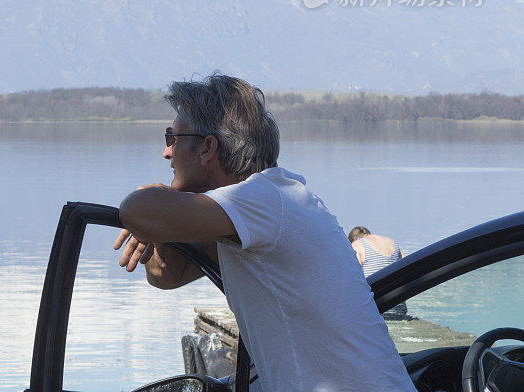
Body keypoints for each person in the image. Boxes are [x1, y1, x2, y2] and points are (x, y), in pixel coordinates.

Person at [114, 74, 415, 392]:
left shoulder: (265, 200)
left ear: (207, 148)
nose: (166, 152)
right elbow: (166, 275)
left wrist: (161, 201)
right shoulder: (260, 211)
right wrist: (163, 221)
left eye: (172, 138)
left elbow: (135, 210)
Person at [348, 226, 408, 319]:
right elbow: (407, 270)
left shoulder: (357, 245)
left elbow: (351, 281)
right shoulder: (392, 243)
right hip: (399, 309)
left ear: (353, 240)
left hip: (375, 313)